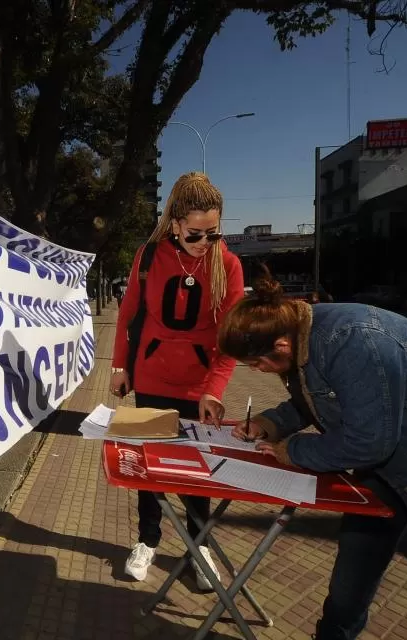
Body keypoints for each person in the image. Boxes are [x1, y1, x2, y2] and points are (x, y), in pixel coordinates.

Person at [217, 269, 407, 640]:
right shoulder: (304, 335)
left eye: (256, 363)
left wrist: (290, 449)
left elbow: (368, 441)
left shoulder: (353, 339)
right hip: (392, 469)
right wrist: (269, 423)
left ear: (281, 346)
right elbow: (317, 399)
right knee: (352, 573)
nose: (258, 372)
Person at [111, 172, 245, 588]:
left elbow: (230, 338)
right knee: (150, 466)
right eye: (195, 234)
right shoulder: (149, 256)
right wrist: (119, 366)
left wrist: (214, 390)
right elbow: (129, 313)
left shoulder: (227, 264)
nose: (205, 242)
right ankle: (147, 539)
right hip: (152, 379)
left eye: (213, 233)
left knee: (196, 472)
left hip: (198, 386)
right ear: (174, 225)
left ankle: (198, 546)